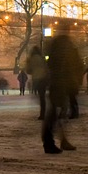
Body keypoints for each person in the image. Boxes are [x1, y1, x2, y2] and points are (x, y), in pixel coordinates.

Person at [42, 26, 82, 154]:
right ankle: (50, 142)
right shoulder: (63, 48)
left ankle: (61, 140)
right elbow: (67, 66)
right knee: (54, 114)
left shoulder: (58, 47)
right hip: (60, 84)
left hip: (60, 83)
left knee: (58, 113)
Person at [25, 47, 49, 120]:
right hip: (43, 78)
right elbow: (46, 68)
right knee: (42, 97)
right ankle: (44, 112)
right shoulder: (42, 58)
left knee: (40, 96)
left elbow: (28, 70)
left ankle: (42, 114)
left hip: (36, 79)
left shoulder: (31, 59)